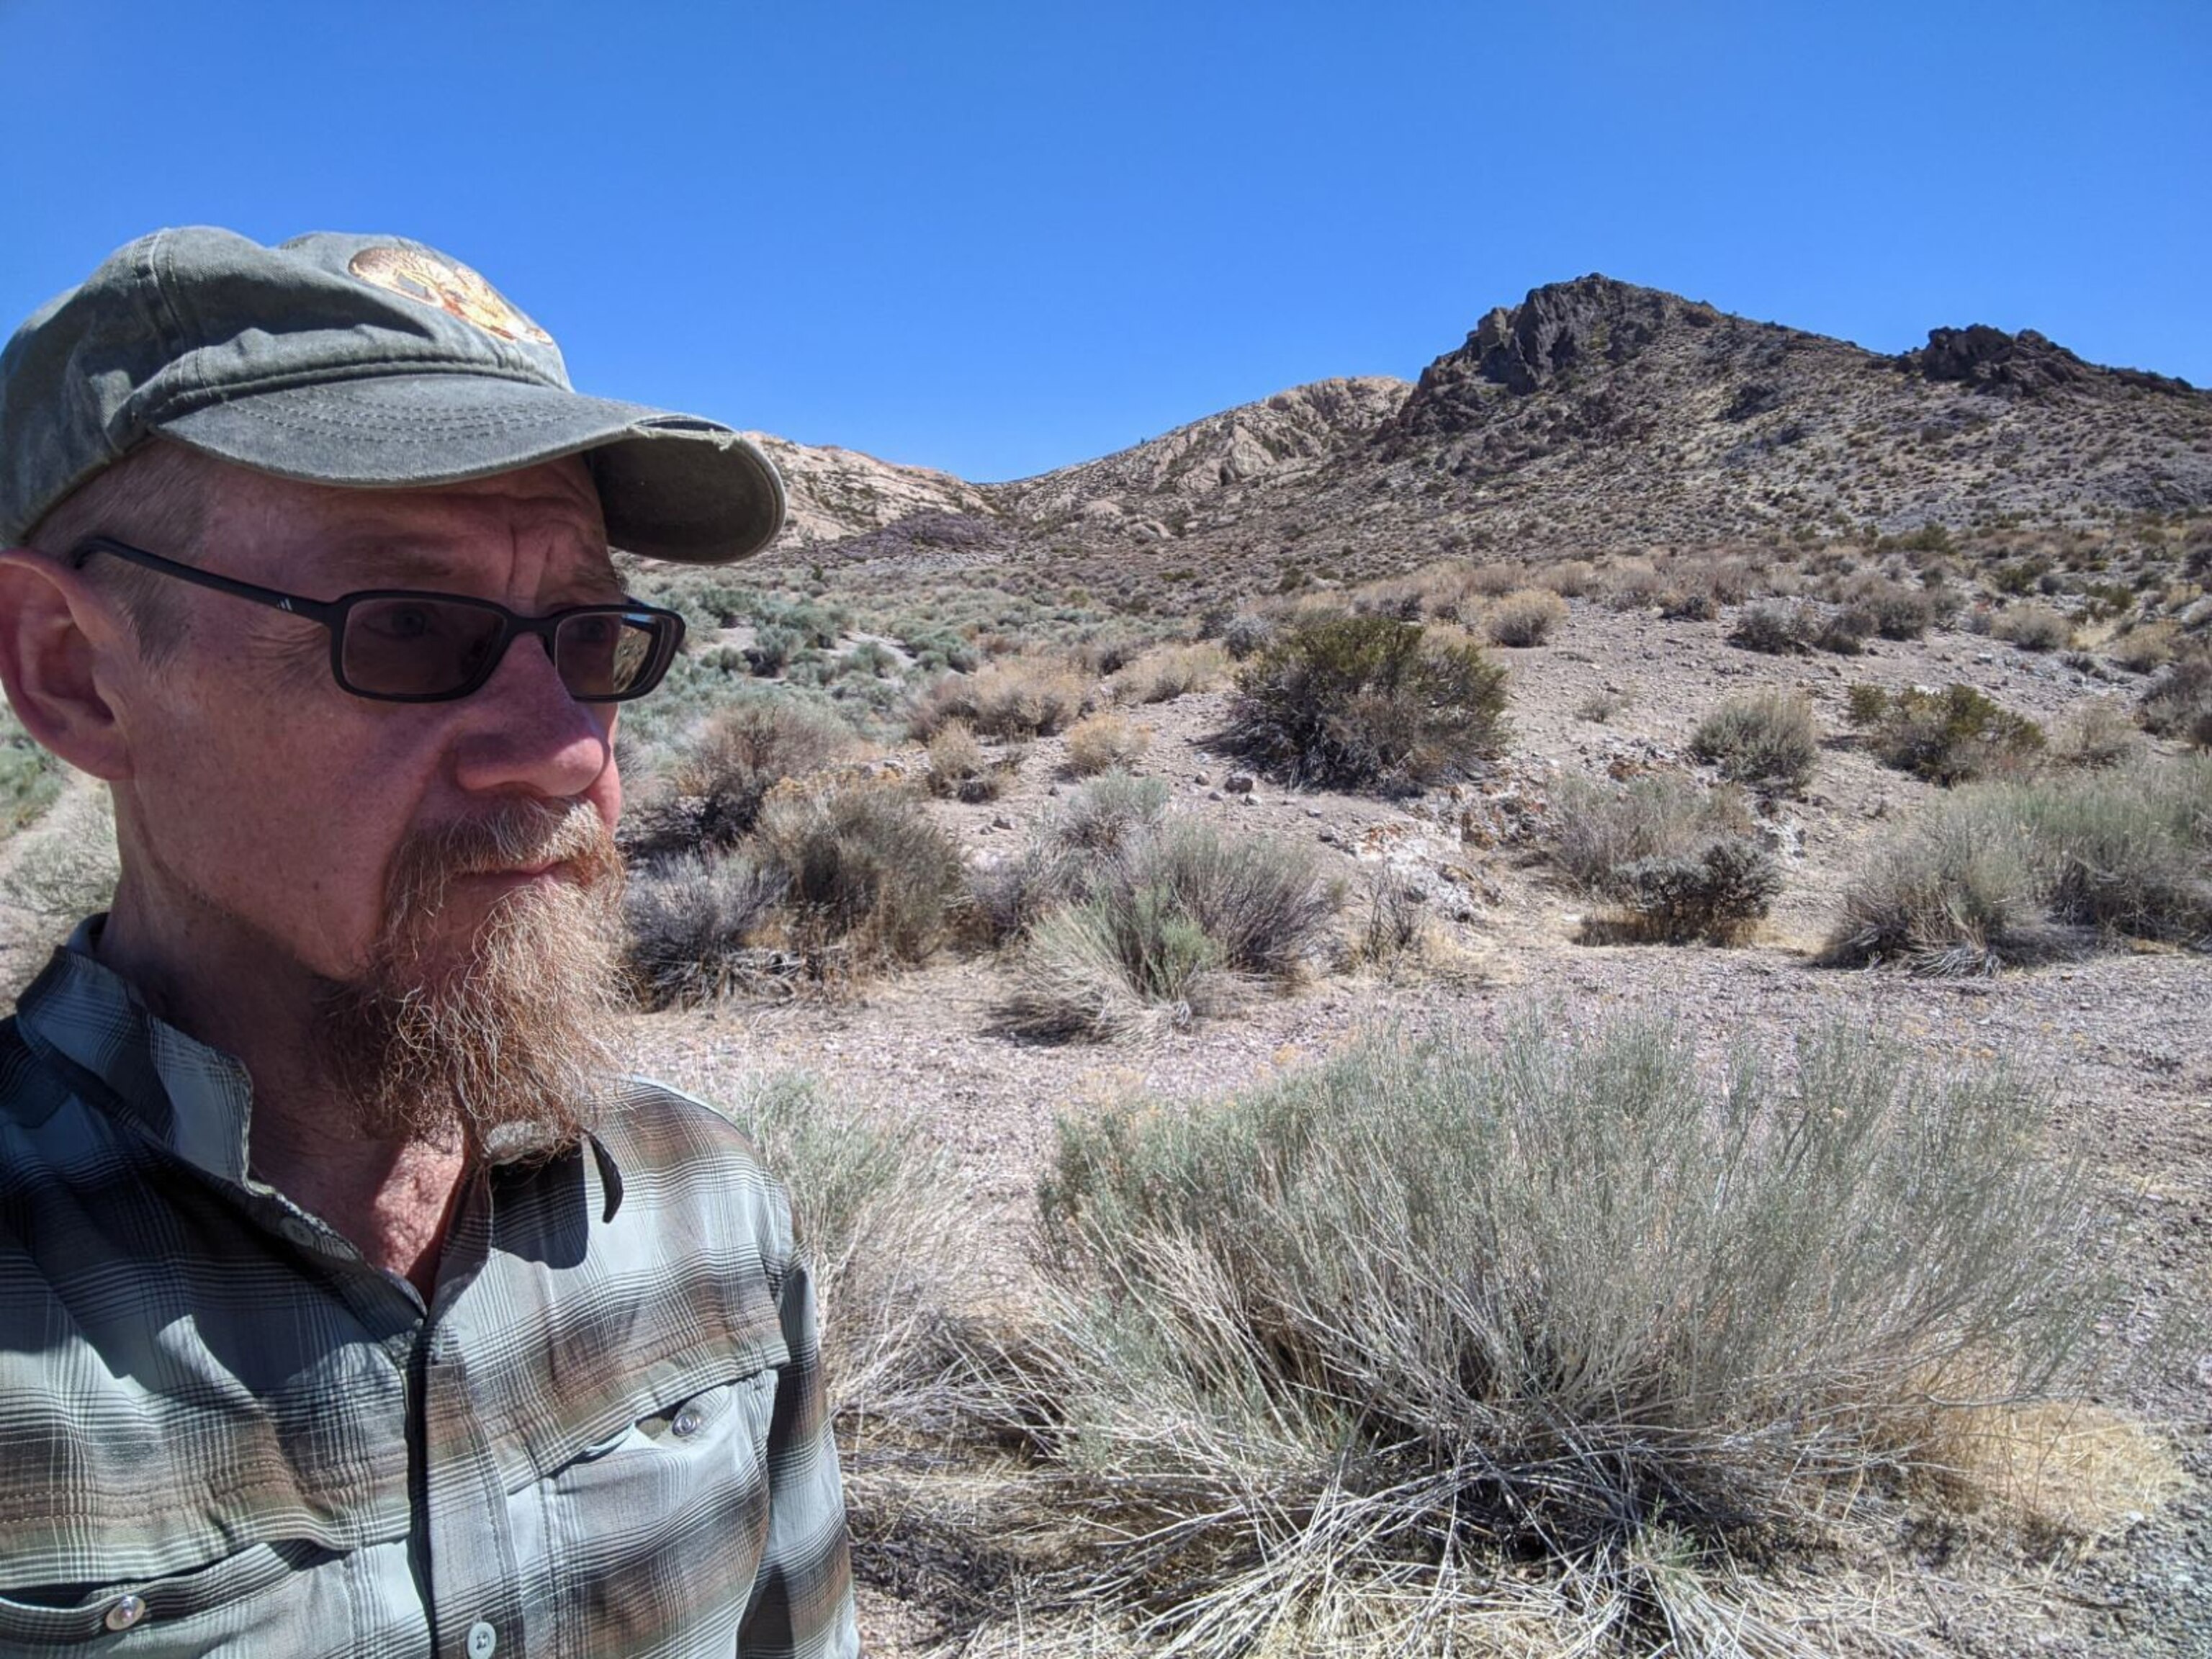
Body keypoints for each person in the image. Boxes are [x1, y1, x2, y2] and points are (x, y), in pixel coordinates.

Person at [0, 228, 858, 1658]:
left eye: (591, 637)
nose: (564, 749)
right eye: (406, 625)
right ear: (73, 674)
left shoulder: (708, 1213)